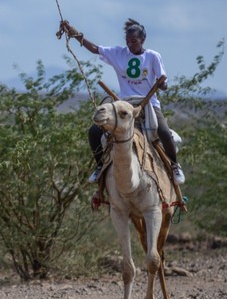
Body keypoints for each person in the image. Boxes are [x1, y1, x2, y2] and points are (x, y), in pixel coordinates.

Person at [60, 18, 185, 185]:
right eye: (127, 41)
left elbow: (164, 83)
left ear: (142, 40)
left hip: (148, 104)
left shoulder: (153, 56)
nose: (130, 45)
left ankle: (175, 166)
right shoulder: (119, 53)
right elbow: (94, 49)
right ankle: (99, 167)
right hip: (124, 104)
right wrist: (72, 32)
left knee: (162, 130)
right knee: (95, 132)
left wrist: (162, 85)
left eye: (134, 41)